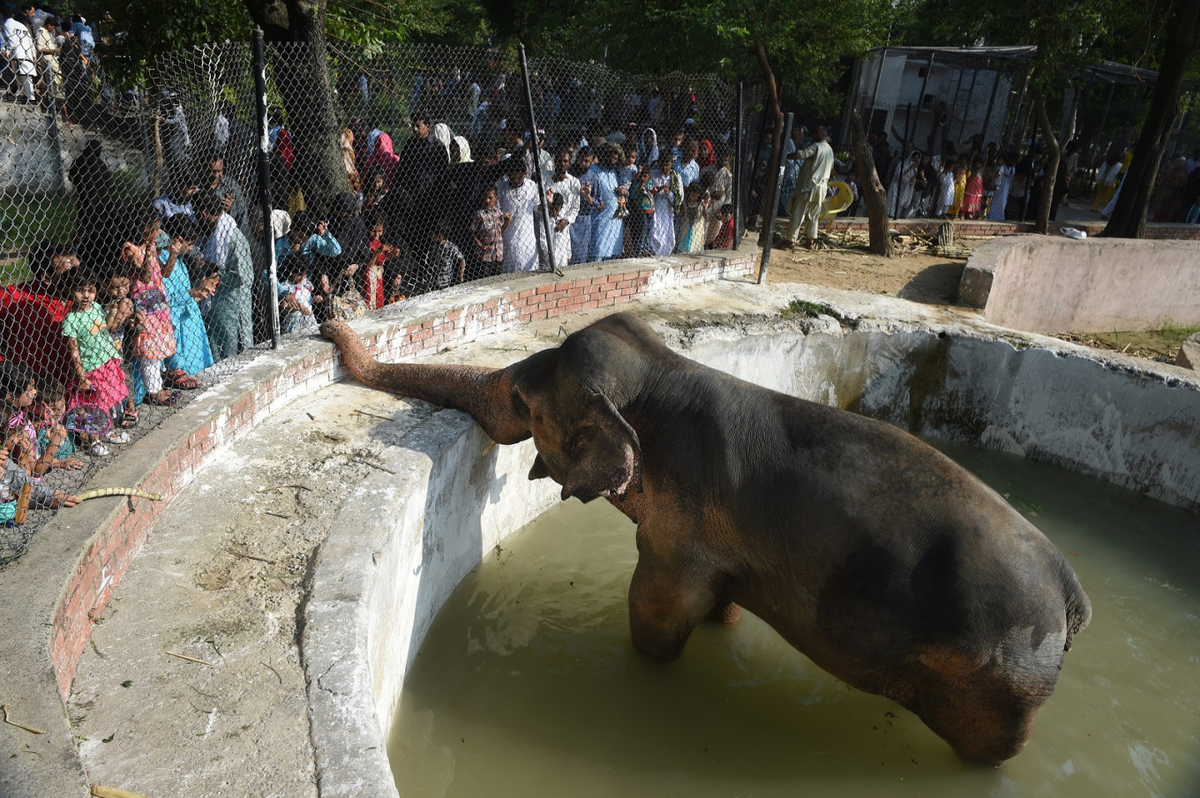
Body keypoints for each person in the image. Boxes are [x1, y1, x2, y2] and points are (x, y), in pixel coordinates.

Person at [61, 268, 130, 452]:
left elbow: (103, 327)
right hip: (91, 367)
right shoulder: (71, 320)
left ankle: (105, 431)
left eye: (91, 290)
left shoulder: (97, 308)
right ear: (69, 290)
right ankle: (93, 440)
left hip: (106, 361)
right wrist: (81, 375)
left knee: (105, 402)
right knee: (93, 405)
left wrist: (111, 314)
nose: (86, 295)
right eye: (80, 290)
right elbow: (74, 350)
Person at [1, 364, 80, 512]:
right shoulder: (14, 432)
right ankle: (24, 502)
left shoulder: (20, 416)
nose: (35, 392)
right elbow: (37, 470)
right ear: (11, 397)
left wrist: (58, 462)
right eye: (29, 389)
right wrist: (55, 440)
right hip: (28, 483)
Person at [120, 210, 179, 407]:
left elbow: (165, 273)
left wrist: (173, 254)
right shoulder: (130, 250)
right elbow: (144, 277)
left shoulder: (150, 248)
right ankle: (153, 391)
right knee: (147, 349)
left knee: (158, 346)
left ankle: (157, 385)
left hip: (158, 305)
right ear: (142, 229)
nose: (157, 233)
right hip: (144, 306)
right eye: (153, 229)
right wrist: (148, 252)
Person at [194, 190, 254, 361]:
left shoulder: (233, 237)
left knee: (236, 357)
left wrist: (214, 275)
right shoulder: (209, 234)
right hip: (216, 309)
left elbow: (244, 277)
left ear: (203, 213)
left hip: (233, 308)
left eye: (196, 214)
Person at [158, 215, 212, 389]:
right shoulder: (162, 260)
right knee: (183, 362)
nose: (191, 248)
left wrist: (195, 293)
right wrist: (191, 293)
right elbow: (165, 296)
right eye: (188, 244)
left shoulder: (180, 261)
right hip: (175, 322)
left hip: (189, 320)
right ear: (177, 240)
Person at [785, 126, 835, 250]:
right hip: (822, 188)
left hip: (809, 187)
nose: (813, 135)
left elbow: (801, 154)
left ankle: (791, 240)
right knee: (813, 215)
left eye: (816, 133)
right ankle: (810, 241)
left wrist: (785, 155)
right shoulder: (830, 150)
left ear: (823, 134)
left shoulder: (816, 147)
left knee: (798, 213)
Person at [100, 269, 138, 427]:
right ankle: (109, 413)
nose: (121, 290)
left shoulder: (127, 302)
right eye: (115, 287)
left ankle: (130, 408)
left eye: (125, 285)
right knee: (108, 381)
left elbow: (113, 327)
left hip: (119, 349)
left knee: (126, 376)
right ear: (105, 285)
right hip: (103, 351)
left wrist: (132, 322)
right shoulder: (102, 303)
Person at [497, 159, 540, 273]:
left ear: (525, 174)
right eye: (512, 177)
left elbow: (537, 207)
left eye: (519, 177)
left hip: (528, 237)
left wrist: (547, 203)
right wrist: (503, 217)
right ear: (508, 175)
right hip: (509, 236)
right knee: (509, 270)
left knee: (529, 270)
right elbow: (497, 211)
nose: (515, 180)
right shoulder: (501, 188)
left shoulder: (531, 186)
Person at [583, 143, 624, 261]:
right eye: (610, 157)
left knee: (613, 257)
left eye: (615, 159)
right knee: (598, 253)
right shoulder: (594, 170)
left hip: (615, 223)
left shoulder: (615, 173)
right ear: (603, 155)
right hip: (600, 221)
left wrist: (623, 190)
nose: (612, 161)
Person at [206, 152, 248, 231]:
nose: (216, 175)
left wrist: (230, 209)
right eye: (212, 171)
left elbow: (243, 213)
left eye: (219, 171)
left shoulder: (230, 185)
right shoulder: (198, 186)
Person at [4, 5, 38, 104]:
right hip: (27, 52)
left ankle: (30, 98)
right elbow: (30, 40)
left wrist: (8, 51)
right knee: (26, 76)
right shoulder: (21, 25)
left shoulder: (7, 25)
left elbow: (12, 39)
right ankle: (28, 97)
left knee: (23, 77)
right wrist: (33, 53)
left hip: (18, 53)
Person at [648, 157, 682, 255]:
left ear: (671, 163)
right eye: (662, 165)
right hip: (655, 209)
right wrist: (653, 191)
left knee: (667, 234)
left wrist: (669, 193)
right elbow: (647, 190)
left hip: (668, 211)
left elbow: (679, 198)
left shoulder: (676, 177)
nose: (664, 167)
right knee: (655, 231)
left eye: (667, 165)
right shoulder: (653, 175)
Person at [471, 185, 506, 279]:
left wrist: (507, 222)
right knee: (485, 278)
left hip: (498, 252)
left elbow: (500, 231)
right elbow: (472, 233)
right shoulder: (480, 214)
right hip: (485, 254)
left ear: (496, 198)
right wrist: (481, 246)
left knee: (498, 277)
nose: (487, 201)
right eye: (484, 198)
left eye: (490, 198)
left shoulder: (499, 213)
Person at [425, 221, 466, 290]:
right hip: (434, 280)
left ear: (440, 236)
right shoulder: (433, 246)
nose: (431, 237)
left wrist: (460, 276)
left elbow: (462, 260)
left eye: (432, 235)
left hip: (447, 281)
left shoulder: (450, 247)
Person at [676, 182, 708, 254]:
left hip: (697, 228)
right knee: (684, 246)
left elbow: (706, 217)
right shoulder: (685, 203)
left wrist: (705, 209)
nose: (693, 196)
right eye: (691, 194)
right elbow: (681, 214)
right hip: (686, 226)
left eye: (695, 195)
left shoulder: (701, 204)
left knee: (694, 245)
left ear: (699, 195)